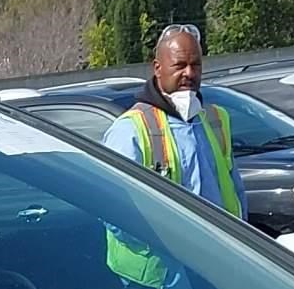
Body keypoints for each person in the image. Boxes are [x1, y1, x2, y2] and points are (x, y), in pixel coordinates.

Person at [102, 24, 241, 218]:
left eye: (196, 65)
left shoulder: (216, 119)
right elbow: (115, 211)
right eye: (180, 65)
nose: (189, 73)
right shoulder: (130, 130)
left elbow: (235, 194)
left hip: (213, 246)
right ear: (158, 68)